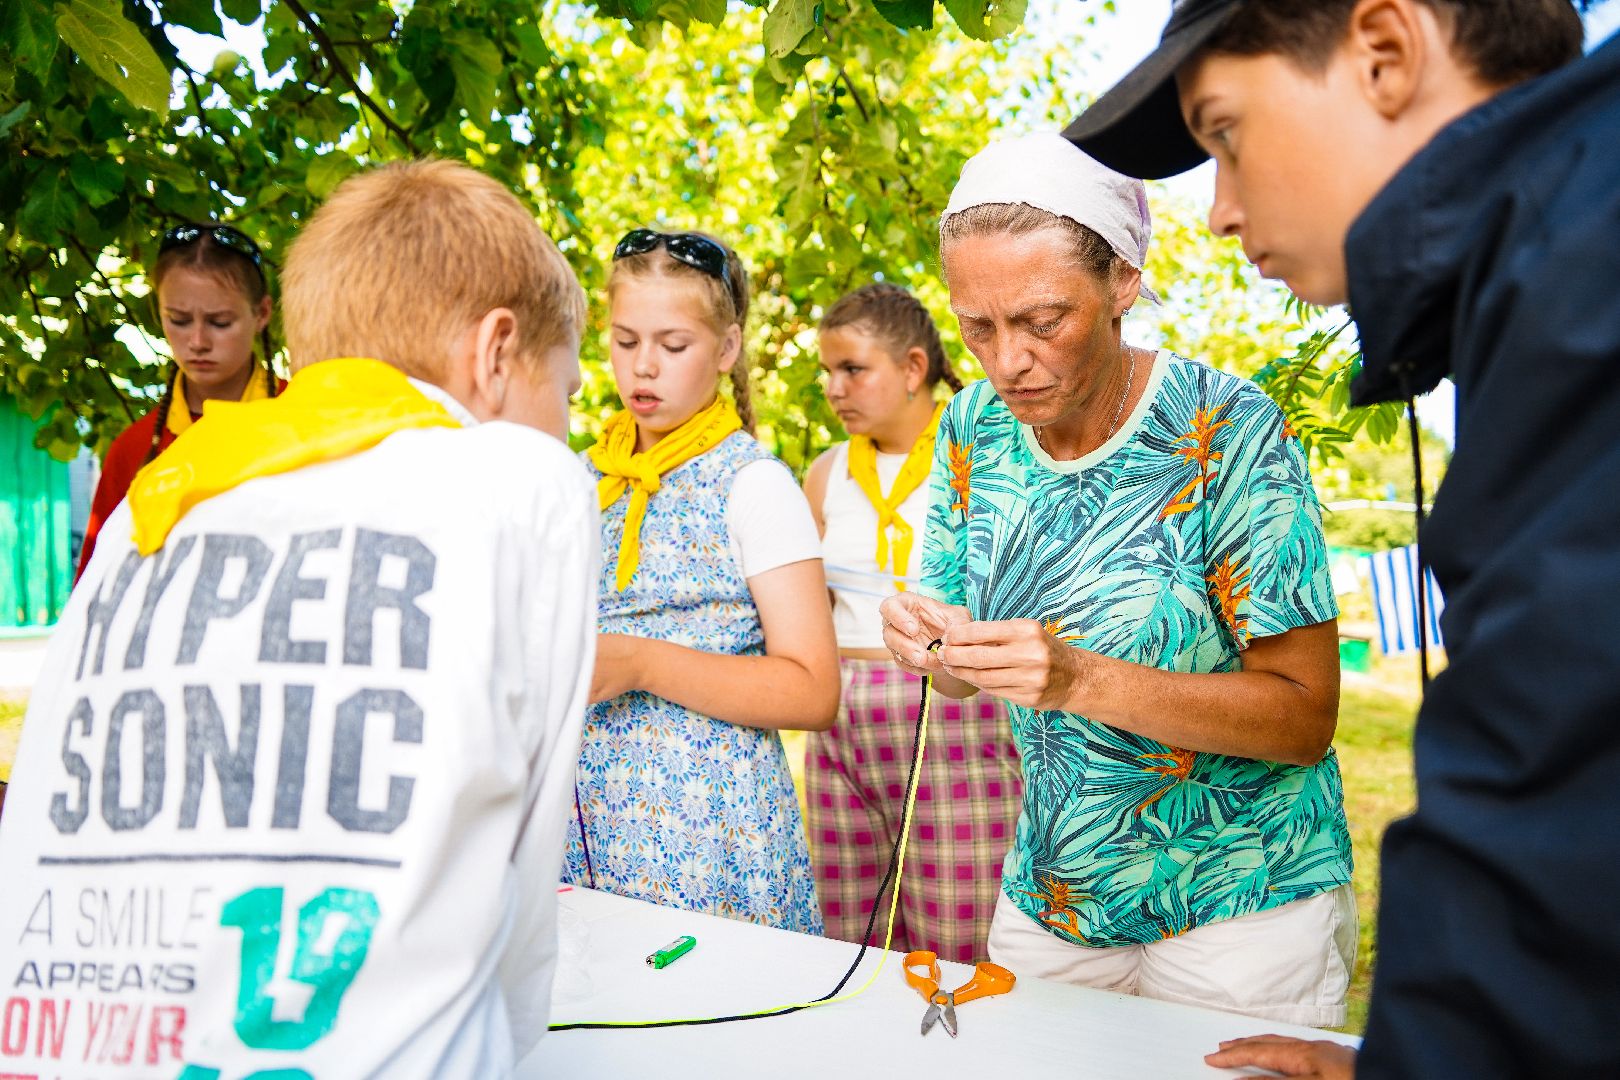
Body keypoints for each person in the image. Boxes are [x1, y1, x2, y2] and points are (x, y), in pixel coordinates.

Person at [1064, 0, 1614, 1076]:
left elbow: (1559, 825)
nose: (1218, 211)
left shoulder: (1585, 287)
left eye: (1224, 134)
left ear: (1385, 51)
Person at [0, 159, 596, 1076]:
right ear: (495, 353)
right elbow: (520, 904)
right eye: (565, 389)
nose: (564, 423)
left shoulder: (153, 503)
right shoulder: (526, 481)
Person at [880, 133, 1355, 1027]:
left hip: (1243, 907)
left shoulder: (1229, 433)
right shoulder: (970, 429)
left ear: (1123, 281)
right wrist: (931, 645)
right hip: (1054, 897)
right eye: (976, 327)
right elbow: (955, 660)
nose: (1005, 361)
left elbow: (1303, 718)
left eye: (1040, 320)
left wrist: (1078, 678)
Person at [564, 229, 839, 934]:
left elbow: (812, 691)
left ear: (726, 349)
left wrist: (641, 662)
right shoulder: (580, 479)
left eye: (673, 345)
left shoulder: (755, 486)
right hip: (586, 822)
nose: (643, 367)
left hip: (712, 834)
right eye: (625, 341)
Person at [802, 282, 1023, 963]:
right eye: (828, 372)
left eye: (853, 369)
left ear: (913, 369)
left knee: (956, 932)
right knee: (849, 933)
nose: (835, 388)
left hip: (955, 711)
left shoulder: (981, 461)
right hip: (844, 718)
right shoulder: (826, 471)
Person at [76, 223, 284, 582]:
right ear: (159, 314)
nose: (198, 341)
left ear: (262, 314)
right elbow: (95, 592)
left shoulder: (306, 420)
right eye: (179, 320)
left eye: (220, 322)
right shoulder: (134, 451)